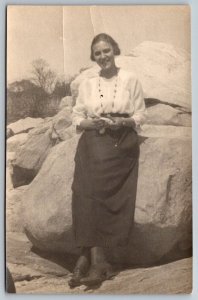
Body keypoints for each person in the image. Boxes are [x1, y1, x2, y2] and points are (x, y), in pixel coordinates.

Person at [69, 33, 146, 287]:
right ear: (94, 57)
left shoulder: (130, 79)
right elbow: (77, 116)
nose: (103, 57)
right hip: (93, 137)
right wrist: (89, 122)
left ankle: (97, 259)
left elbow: (139, 115)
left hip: (120, 139)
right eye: (98, 53)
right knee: (82, 189)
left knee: (98, 186)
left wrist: (121, 121)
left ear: (115, 50)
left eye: (106, 51)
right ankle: (86, 256)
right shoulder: (88, 84)